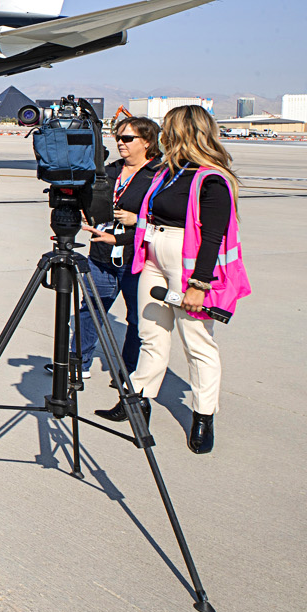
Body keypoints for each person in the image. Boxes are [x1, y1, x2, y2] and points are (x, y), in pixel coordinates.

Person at [96, 106, 249, 454]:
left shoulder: (212, 179)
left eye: (168, 128)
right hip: (154, 259)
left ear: (184, 131)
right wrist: (120, 240)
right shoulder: (169, 173)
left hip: (187, 266)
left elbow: (213, 236)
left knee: (197, 343)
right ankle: (139, 401)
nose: (163, 134)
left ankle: (203, 416)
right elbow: (149, 219)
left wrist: (200, 284)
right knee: (152, 335)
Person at [76, 115, 160, 375]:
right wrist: (85, 211)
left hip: (136, 258)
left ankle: (129, 371)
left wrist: (138, 219)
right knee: (89, 311)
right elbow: (90, 197)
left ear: (146, 142)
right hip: (101, 254)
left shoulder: (158, 175)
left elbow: (167, 216)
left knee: (137, 319)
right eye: (118, 138)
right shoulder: (109, 170)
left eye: (127, 138)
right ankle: (79, 363)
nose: (121, 143)